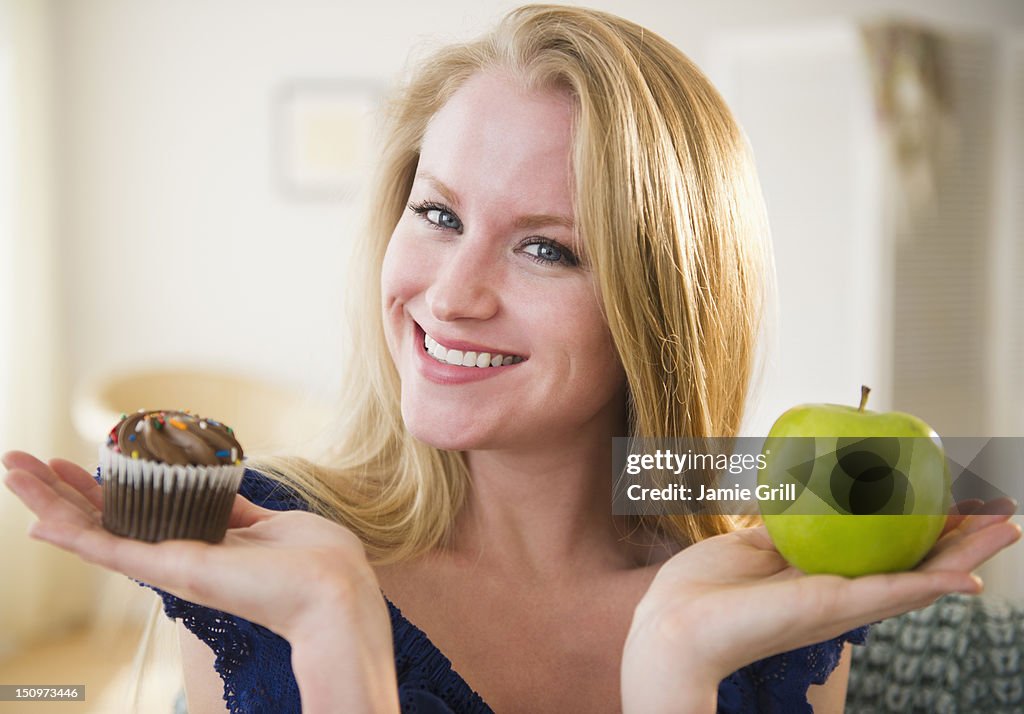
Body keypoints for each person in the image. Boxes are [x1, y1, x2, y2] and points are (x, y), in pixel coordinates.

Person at [3, 5, 1019, 713]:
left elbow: (966, 471)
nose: (449, 295)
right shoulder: (263, 553)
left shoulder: (766, 612)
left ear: (658, 308)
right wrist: (331, 629)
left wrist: (674, 672)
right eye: (437, 213)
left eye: (545, 249)